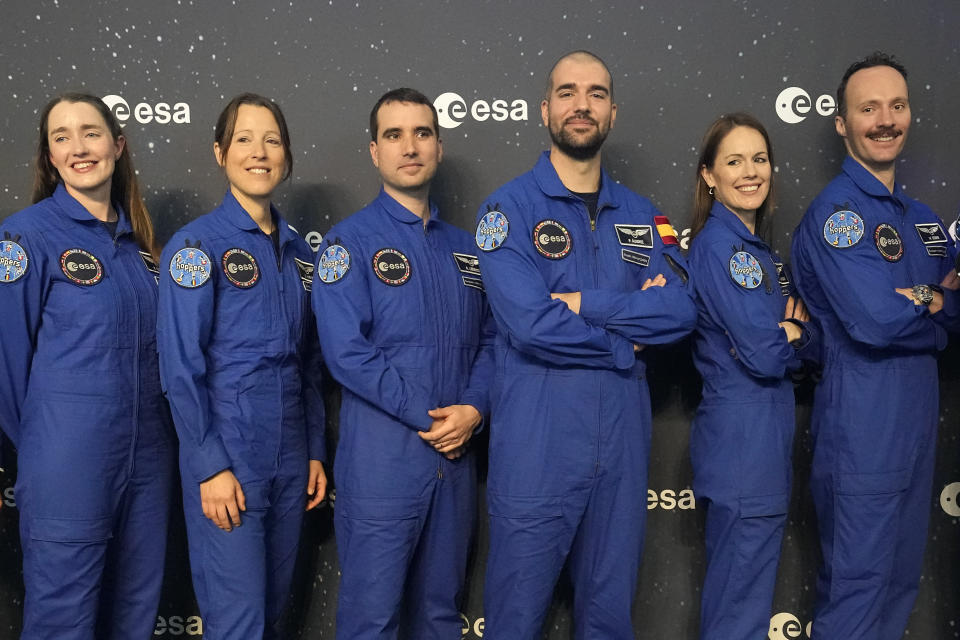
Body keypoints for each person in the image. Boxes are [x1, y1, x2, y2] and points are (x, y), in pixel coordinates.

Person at [475, 50, 697, 639]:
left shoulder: (646, 216)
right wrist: (627, 341)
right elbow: (528, 324)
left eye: (595, 93)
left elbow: (677, 310)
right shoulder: (506, 210)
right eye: (567, 93)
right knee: (515, 619)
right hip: (538, 442)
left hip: (621, 441)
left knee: (607, 618)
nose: (581, 105)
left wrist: (586, 303)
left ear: (613, 112)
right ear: (544, 109)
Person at [311, 87, 495, 640]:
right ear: (374, 151)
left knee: (440, 615)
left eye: (422, 133)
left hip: (456, 460)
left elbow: (492, 339)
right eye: (394, 135)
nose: (409, 146)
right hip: (384, 464)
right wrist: (432, 416)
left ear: (438, 147)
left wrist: (475, 409)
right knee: (373, 619)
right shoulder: (348, 243)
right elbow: (346, 352)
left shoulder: (468, 249)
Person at [791, 52, 960, 640]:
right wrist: (935, 301)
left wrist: (934, 302)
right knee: (858, 593)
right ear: (843, 123)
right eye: (868, 108)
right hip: (864, 425)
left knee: (898, 588)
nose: (885, 119)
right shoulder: (836, 214)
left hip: (915, 423)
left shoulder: (923, 220)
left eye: (897, 105)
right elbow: (873, 322)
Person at [0, 92, 176, 639]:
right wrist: (45, 449)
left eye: (92, 133)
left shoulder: (142, 250)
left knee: (134, 616)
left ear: (118, 146)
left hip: (148, 462)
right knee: (63, 622)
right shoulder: (25, 237)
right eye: (62, 137)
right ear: (49, 158)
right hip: (68, 463)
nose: (79, 148)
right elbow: (5, 367)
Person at [157, 93, 327, 640]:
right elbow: (180, 367)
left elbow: (310, 366)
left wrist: (315, 451)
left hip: (290, 454)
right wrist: (209, 464)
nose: (259, 152)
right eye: (244, 139)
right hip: (228, 451)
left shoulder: (301, 254)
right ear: (219, 152)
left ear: (287, 156)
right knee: (239, 623)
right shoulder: (195, 246)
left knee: (274, 615)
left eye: (272, 140)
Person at [686, 113, 818, 640]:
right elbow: (766, 354)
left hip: (759, 443)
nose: (750, 172)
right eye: (734, 161)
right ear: (709, 177)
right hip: (744, 446)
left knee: (743, 600)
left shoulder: (758, 250)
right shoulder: (720, 247)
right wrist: (789, 332)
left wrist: (794, 335)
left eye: (759, 159)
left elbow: (816, 346)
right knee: (738, 610)